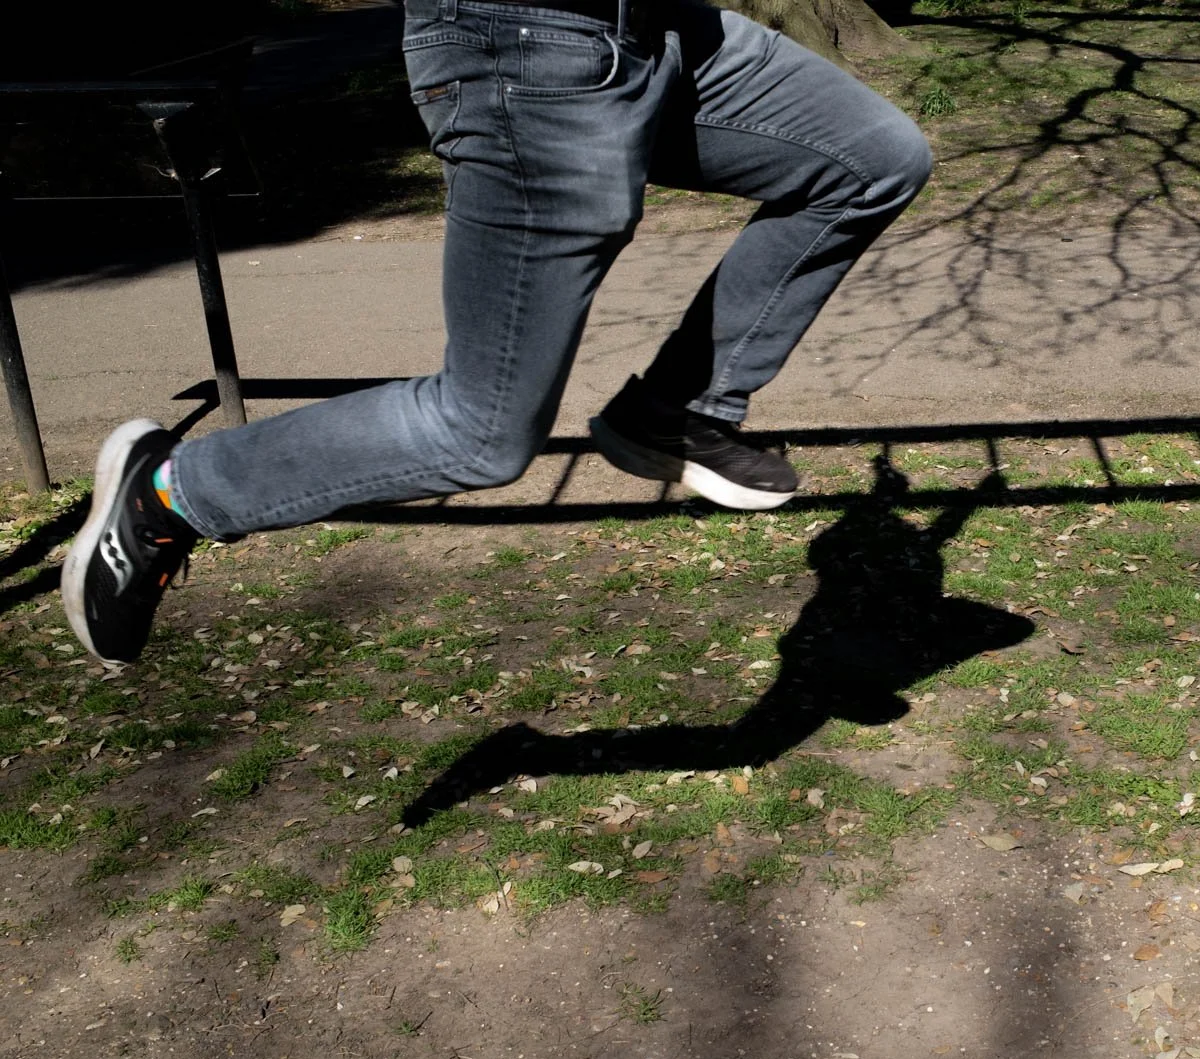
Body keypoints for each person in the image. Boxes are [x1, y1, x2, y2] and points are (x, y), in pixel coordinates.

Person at [62, 0, 933, 666]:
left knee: (871, 158)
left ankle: (679, 409)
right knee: (481, 433)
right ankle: (168, 496)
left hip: (662, 28)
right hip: (528, 42)